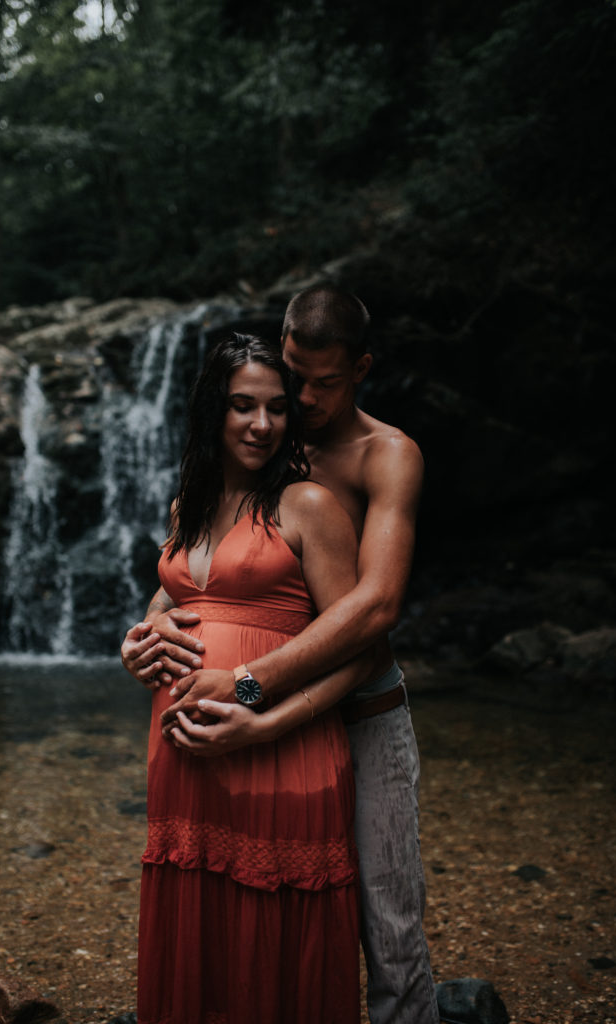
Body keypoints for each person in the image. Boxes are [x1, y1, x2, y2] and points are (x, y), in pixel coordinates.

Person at [122, 285, 440, 1024]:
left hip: (361, 705)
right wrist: (143, 633)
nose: (296, 399)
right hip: (240, 720)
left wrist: (246, 687)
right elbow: (200, 573)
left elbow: (375, 611)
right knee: (225, 894)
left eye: (319, 384)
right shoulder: (266, 438)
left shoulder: (383, 454)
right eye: (288, 376)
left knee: (385, 919)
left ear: (360, 368)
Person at [135, 332, 368, 1024]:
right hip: (184, 764)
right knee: (199, 931)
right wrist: (138, 641)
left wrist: (254, 706)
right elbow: (176, 601)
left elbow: (362, 648)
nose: (261, 425)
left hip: (278, 750)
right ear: (214, 410)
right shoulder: (188, 508)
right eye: (242, 406)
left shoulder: (307, 506)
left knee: (272, 944)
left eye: (275, 408)